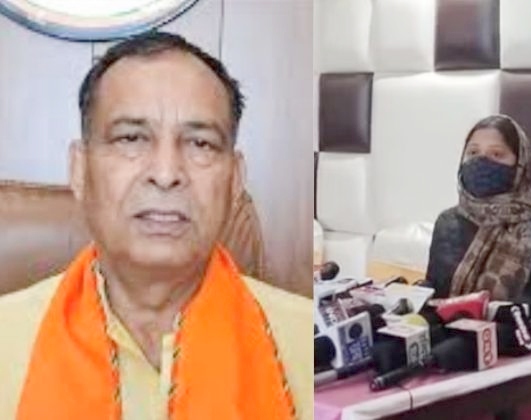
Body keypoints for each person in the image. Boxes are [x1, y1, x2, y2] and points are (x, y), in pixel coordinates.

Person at [0, 32, 311, 419]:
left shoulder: (305, 341)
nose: (166, 174)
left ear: (235, 180)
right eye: (131, 138)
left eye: (200, 143)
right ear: (79, 170)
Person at [424, 114, 531, 340]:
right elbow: (435, 293)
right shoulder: (447, 222)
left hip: (515, 347)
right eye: (473, 153)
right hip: (446, 342)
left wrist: (482, 336)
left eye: (497, 154)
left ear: (519, 164)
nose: (481, 162)